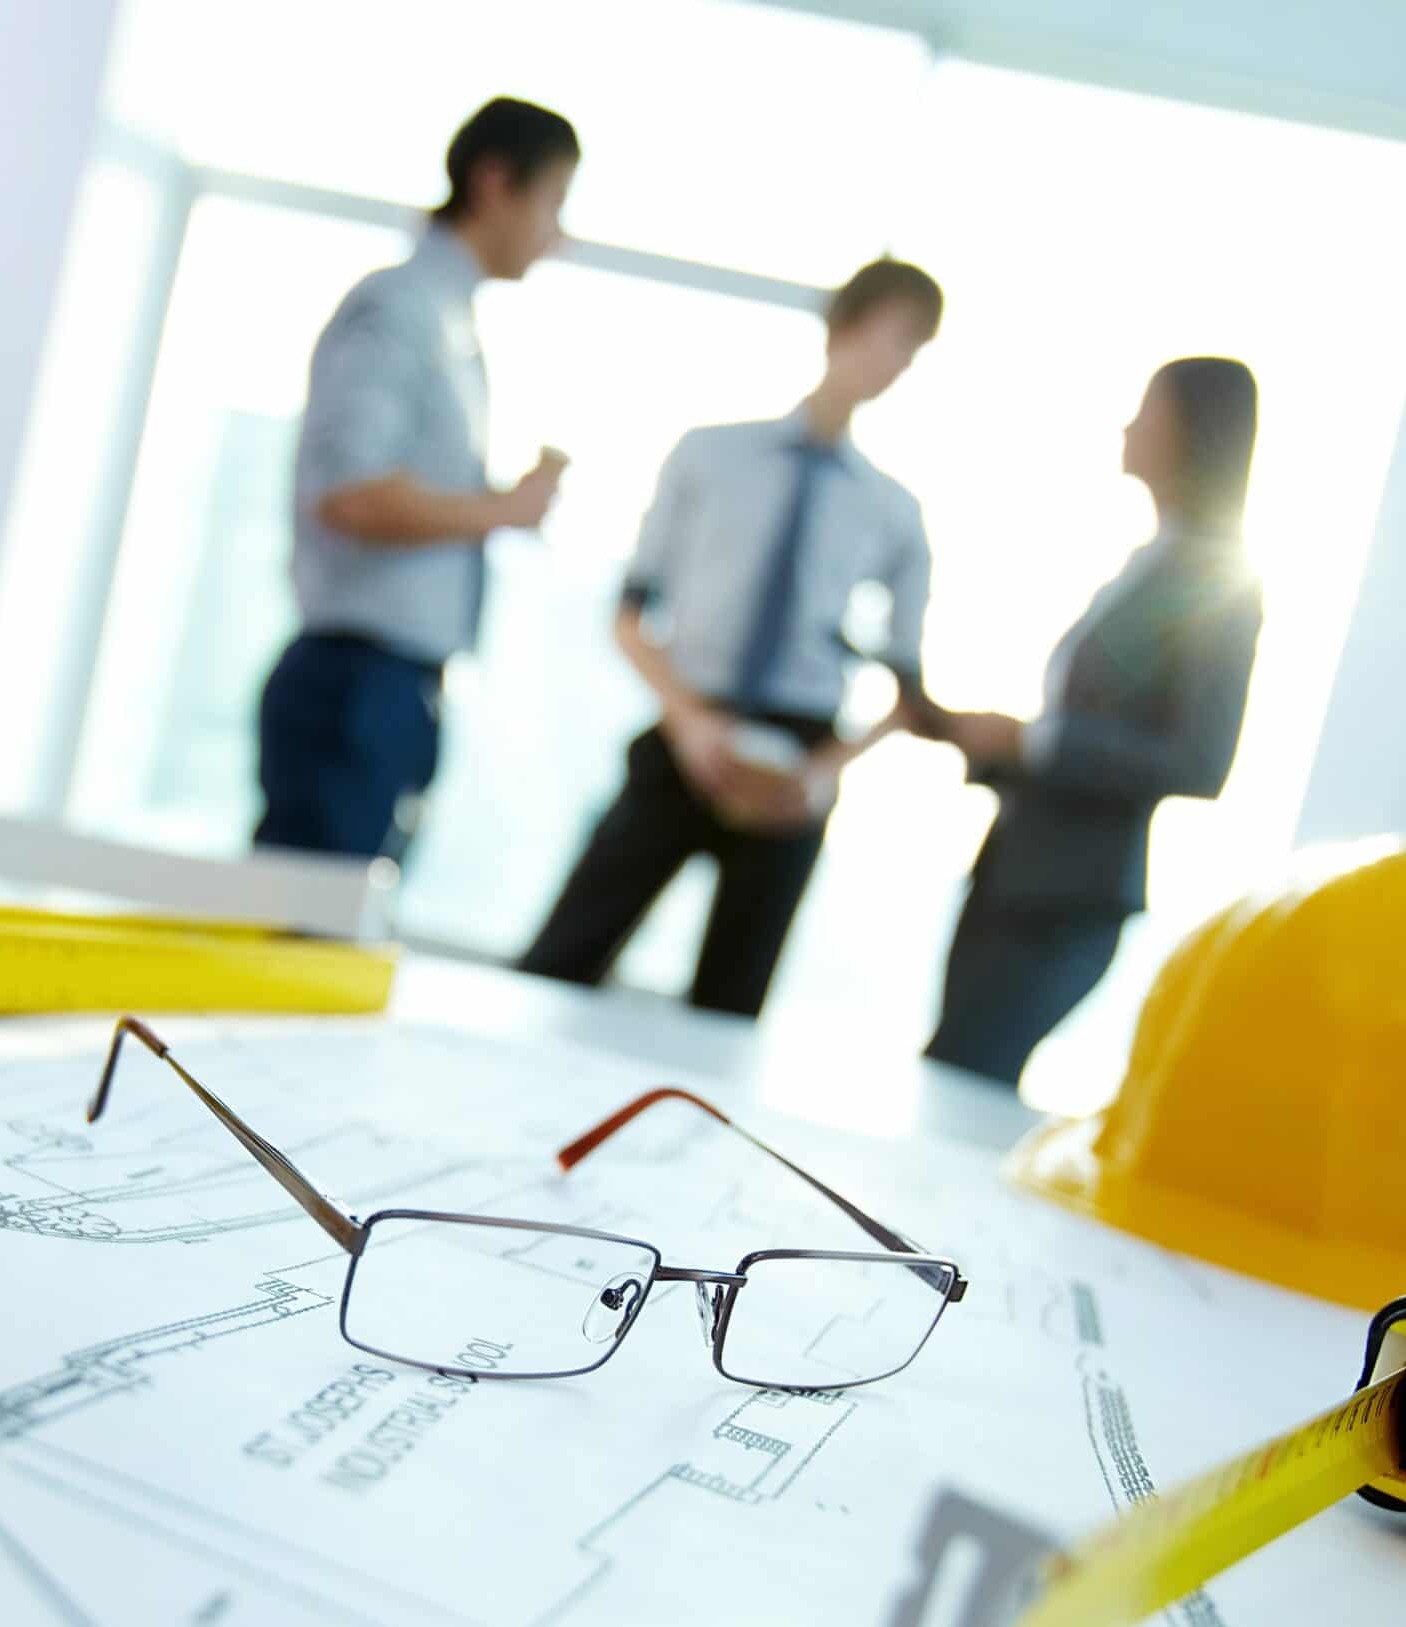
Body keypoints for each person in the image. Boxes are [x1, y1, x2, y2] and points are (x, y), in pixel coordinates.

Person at [515, 258, 943, 1018]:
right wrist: (692, 724)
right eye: (895, 338)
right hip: (688, 730)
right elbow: (630, 613)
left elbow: (909, 690)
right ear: (845, 324)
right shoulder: (709, 456)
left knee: (731, 1008)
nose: (900, 365)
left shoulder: (895, 512)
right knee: (559, 960)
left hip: (797, 764)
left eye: (916, 353)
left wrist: (823, 772)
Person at [910, 355, 1265, 1085]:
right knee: (949, 1075)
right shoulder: (1151, 563)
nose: (1129, 425)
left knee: (961, 1082)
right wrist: (988, 740)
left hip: (1067, 896)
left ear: (1194, 430)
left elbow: (1201, 761)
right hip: (1014, 872)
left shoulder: (1218, 580)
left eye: (1148, 409)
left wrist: (1035, 739)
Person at [252, 97, 580, 861]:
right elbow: (354, 495)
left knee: (336, 943)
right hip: (354, 685)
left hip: (393, 687)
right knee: (306, 943)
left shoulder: (446, 320)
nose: (558, 234)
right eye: (553, 201)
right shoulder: (399, 308)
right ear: (496, 182)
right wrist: (505, 509)